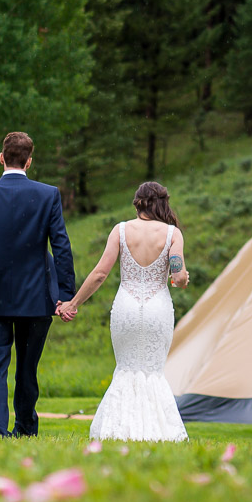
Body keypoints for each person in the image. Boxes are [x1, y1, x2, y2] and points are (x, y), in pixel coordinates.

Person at [0, 132, 75, 437]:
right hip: (36, 297)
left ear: (1, 158)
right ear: (29, 162)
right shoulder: (48, 195)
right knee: (27, 368)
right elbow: (61, 248)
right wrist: (66, 295)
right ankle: (25, 428)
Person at [58, 181, 189, 442]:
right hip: (157, 309)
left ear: (137, 203)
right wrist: (184, 276)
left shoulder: (120, 230)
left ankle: (118, 429)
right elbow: (178, 276)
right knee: (153, 369)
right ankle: (160, 432)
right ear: (163, 203)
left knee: (127, 367)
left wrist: (73, 303)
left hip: (126, 307)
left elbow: (100, 274)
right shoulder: (173, 234)